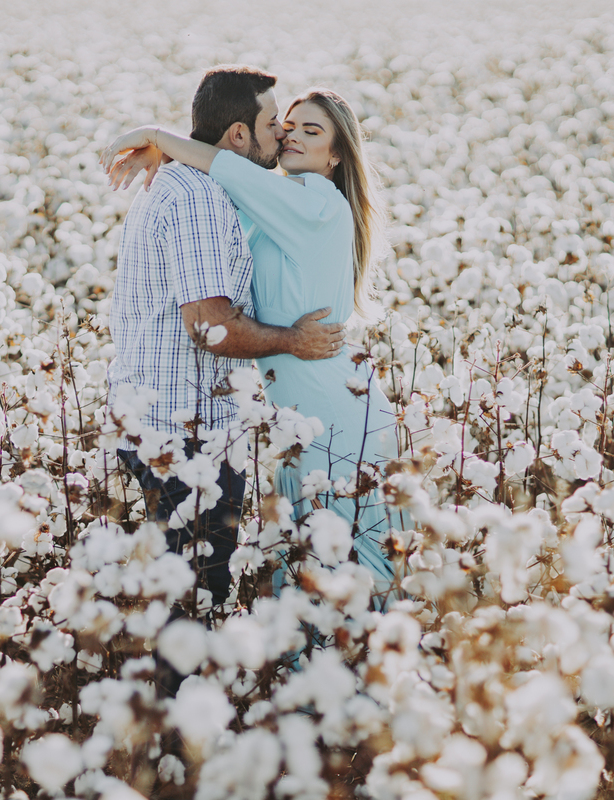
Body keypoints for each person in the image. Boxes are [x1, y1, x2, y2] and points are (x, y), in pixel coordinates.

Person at [102, 85, 399, 596]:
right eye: (287, 125)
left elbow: (228, 168)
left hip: (334, 413)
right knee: (310, 570)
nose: (290, 135)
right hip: (299, 420)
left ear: (336, 156)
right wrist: (171, 160)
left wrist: (158, 137)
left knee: (350, 568)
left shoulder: (316, 203)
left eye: (311, 131)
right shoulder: (277, 209)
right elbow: (217, 193)